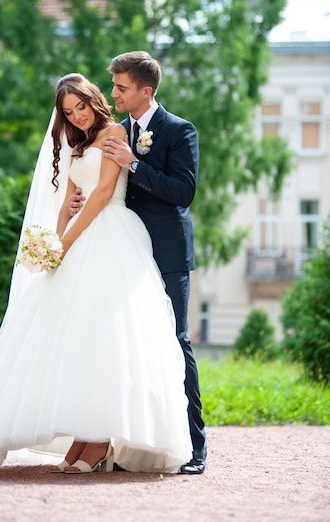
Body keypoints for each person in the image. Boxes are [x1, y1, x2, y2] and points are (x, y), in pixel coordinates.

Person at [0, 73, 192, 474]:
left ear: (94, 100)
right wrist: (54, 240)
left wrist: (65, 243)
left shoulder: (116, 130)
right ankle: (84, 434)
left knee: (106, 334)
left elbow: (100, 195)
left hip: (112, 234)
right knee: (77, 336)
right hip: (80, 239)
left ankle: (99, 440)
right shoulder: (77, 146)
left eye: (81, 106)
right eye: (68, 112)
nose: (77, 116)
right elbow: (69, 201)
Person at [70, 52, 206, 474]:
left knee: (174, 342)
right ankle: (132, 447)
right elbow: (104, 190)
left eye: (121, 87)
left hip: (164, 254)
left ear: (146, 90)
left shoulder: (180, 131)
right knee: (125, 345)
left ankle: (193, 447)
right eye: (113, 86)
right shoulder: (112, 130)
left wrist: (133, 162)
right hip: (122, 253)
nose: (113, 94)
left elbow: (183, 192)